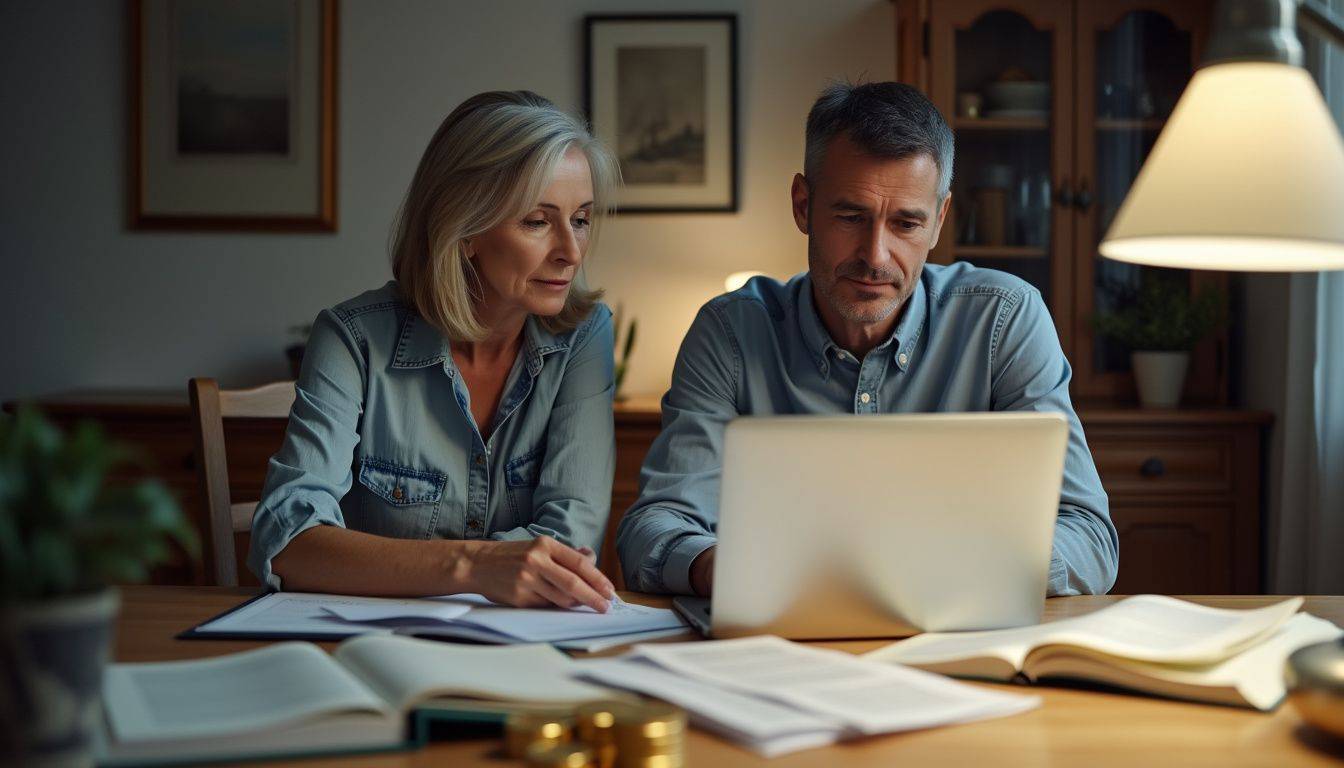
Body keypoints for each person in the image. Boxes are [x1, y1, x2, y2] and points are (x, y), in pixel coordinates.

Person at [616, 82, 1118, 598]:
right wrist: (716, 568)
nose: (875, 255)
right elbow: (653, 526)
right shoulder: (730, 333)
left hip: (954, 636)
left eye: (906, 223)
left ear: (940, 220)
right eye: (851, 216)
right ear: (803, 205)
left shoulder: (1004, 320)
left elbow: (1090, 537)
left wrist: (968, 570)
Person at [248, 90, 620, 612]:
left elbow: (569, 541)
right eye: (538, 221)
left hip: (523, 652)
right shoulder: (351, 338)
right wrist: (472, 567)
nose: (572, 251)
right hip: (369, 650)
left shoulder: (584, 336)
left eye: (580, 219)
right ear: (465, 228)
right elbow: (288, 538)